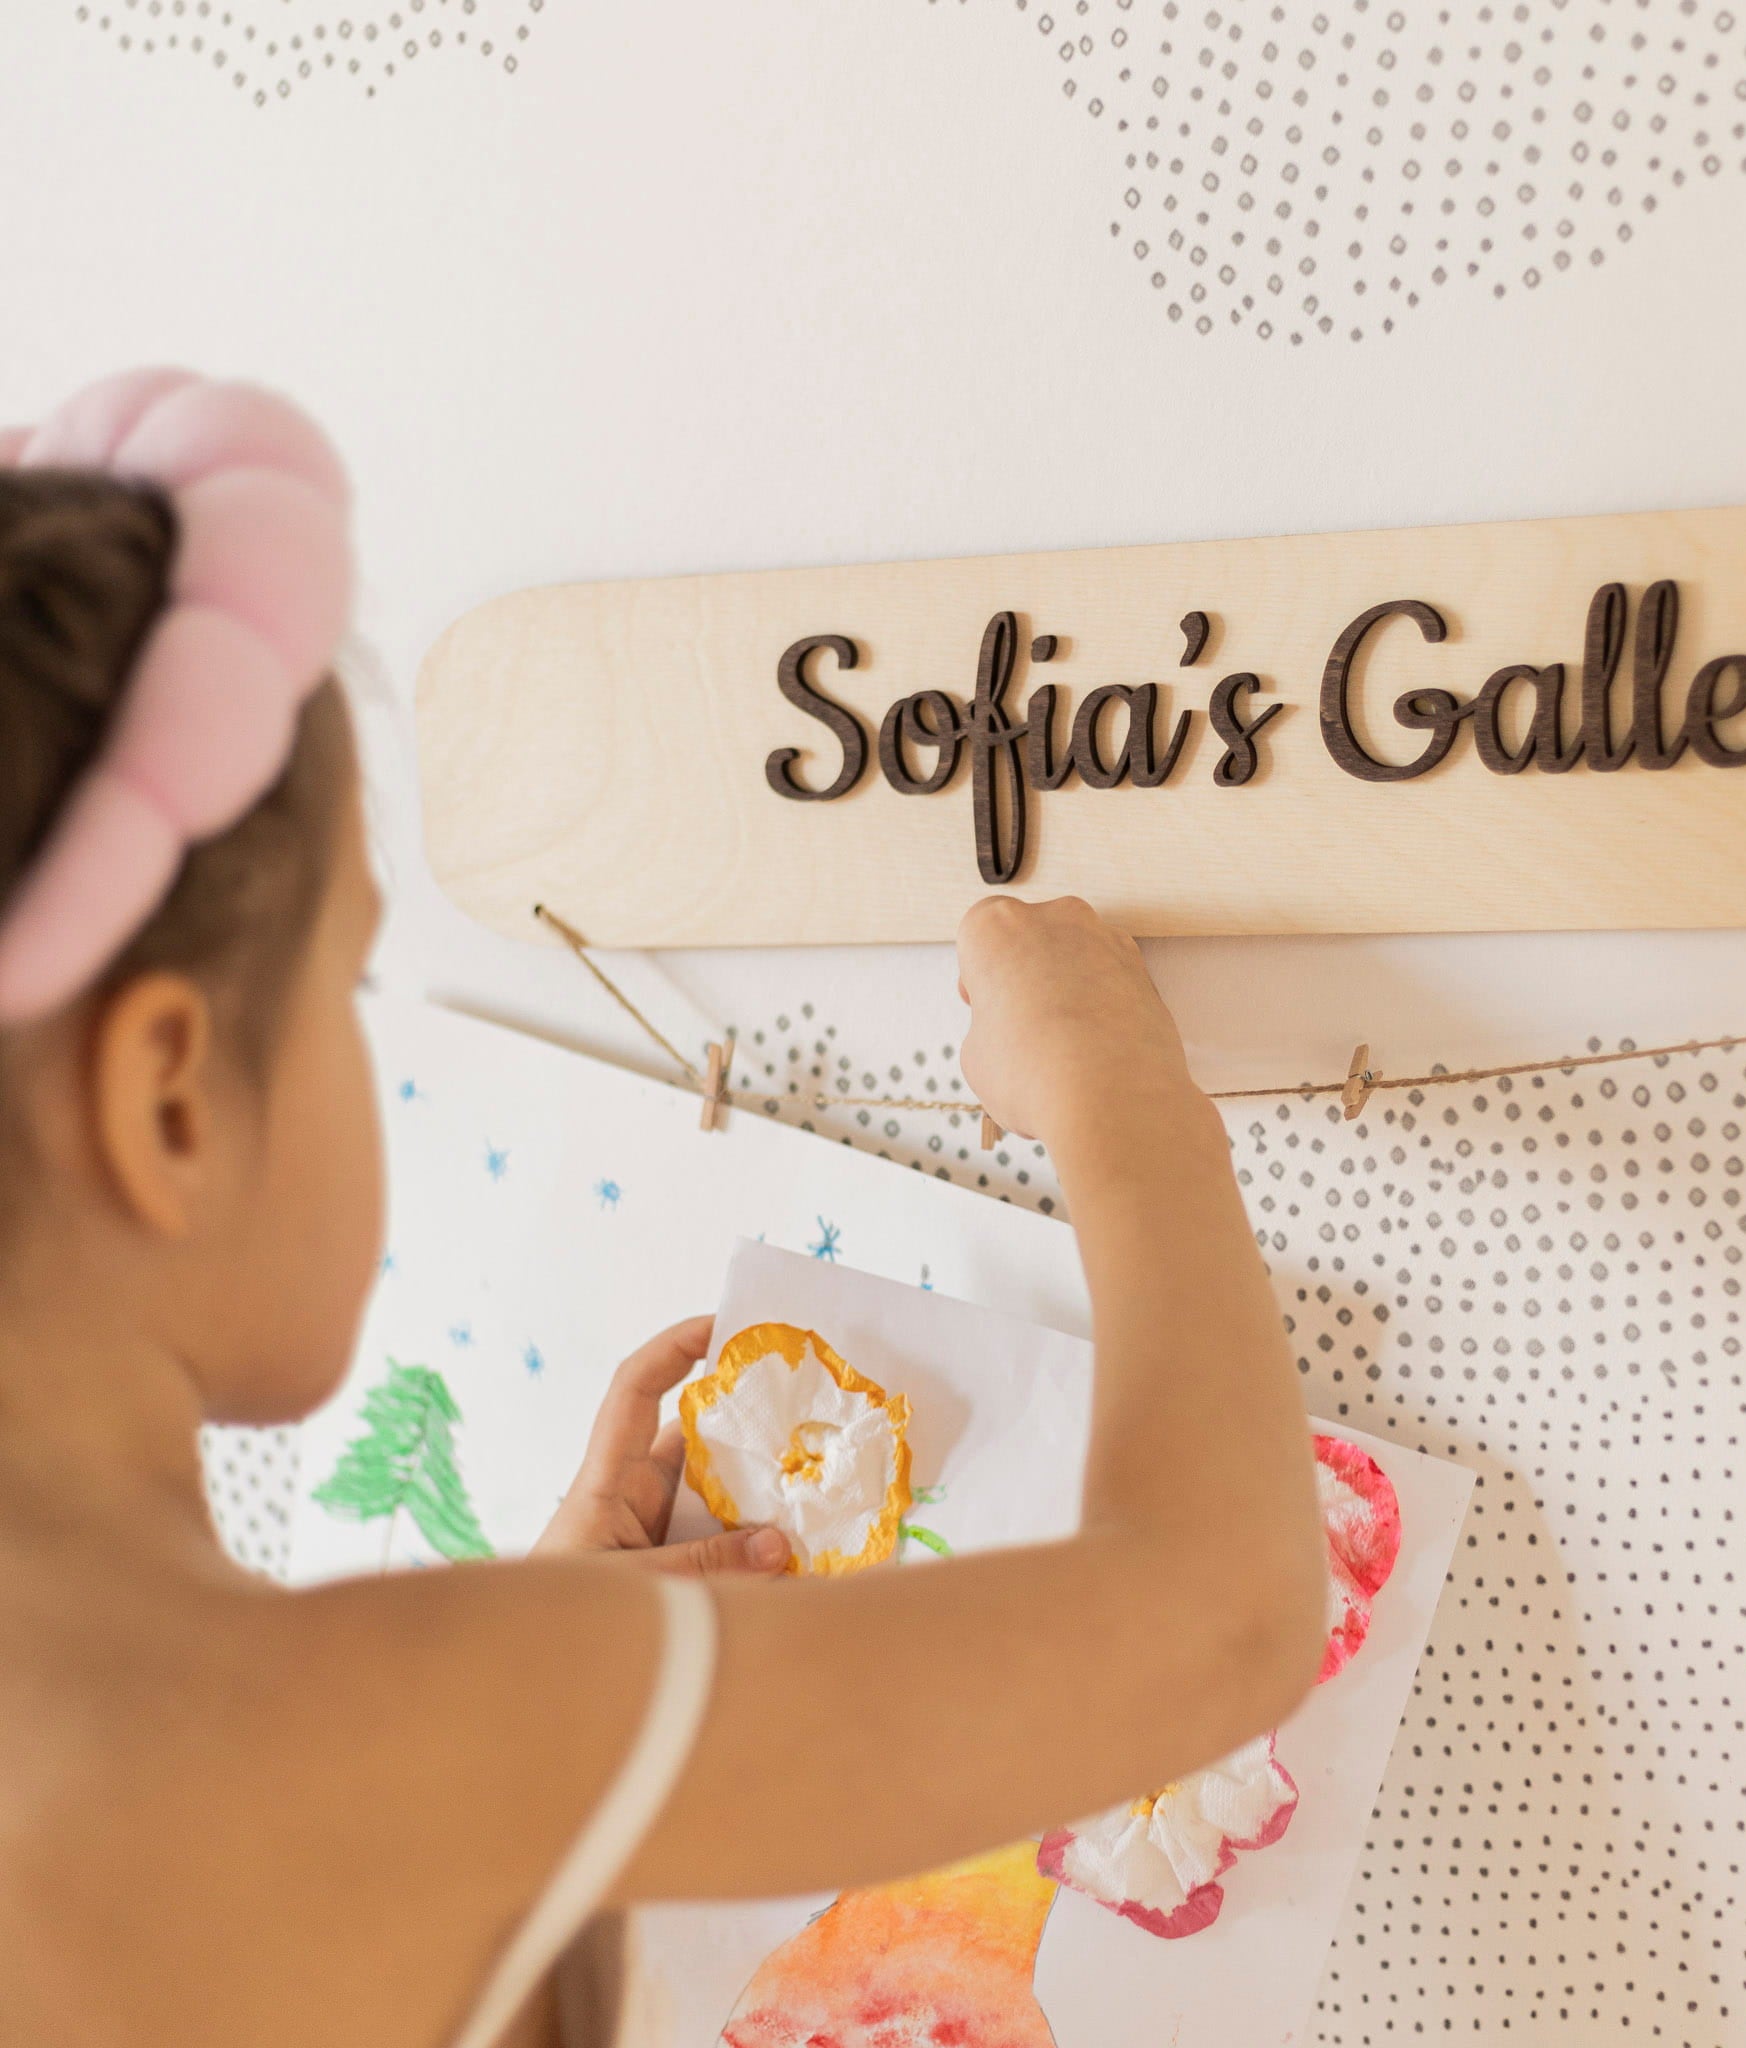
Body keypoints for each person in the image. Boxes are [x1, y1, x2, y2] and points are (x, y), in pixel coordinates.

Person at [0, 370, 1328, 2048]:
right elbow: (1220, 1624)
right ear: (170, 1101)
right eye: (346, 981)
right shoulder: (381, 1728)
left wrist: (537, 1693)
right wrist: (1123, 1100)